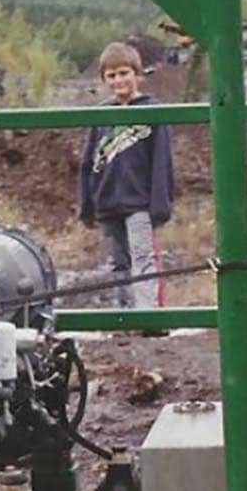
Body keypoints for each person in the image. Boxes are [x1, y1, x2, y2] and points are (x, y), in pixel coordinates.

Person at [79, 42, 174, 309]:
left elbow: (162, 161)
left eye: (124, 73)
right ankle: (125, 316)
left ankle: (149, 316)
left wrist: (160, 202)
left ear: (138, 74)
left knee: (143, 259)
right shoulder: (101, 116)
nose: (118, 80)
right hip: (107, 204)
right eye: (111, 75)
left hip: (139, 203)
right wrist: (87, 205)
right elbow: (88, 162)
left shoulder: (152, 110)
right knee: (117, 264)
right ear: (104, 80)